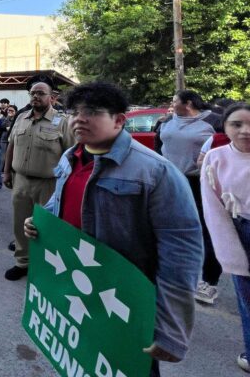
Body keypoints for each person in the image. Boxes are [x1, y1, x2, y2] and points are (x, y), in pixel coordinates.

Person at [25, 81, 203, 377]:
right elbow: (60, 204)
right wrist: (40, 222)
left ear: (119, 120)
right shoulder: (71, 158)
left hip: (125, 299)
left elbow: (181, 254)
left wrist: (170, 330)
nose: (79, 118)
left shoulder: (156, 171)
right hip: (77, 290)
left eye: (92, 112)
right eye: (75, 111)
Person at [3, 77, 74, 281]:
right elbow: (11, 146)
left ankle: (45, 264)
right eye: (33, 93)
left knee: (45, 227)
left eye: (41, 93)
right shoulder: (21, 118)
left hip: (49, 184)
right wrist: (7, 172)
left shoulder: (62, 122)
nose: (36, 96)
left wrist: (67, 185)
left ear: (52, 97)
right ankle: (22, 262)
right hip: (21, 180)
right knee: (20, 224)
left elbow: (71, 155)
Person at [159, 89, 223, 304]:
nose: (171, 102)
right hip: (170, 180)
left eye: (174, 99)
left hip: (199, 182)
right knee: (172, 228)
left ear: (188, 103)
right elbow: (161, 148)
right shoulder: (167, 120)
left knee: (207, 230)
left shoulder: (214, 121)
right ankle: (175, 275)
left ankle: (209, 282)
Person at [201, 102, 250, 373]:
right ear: (225, 127)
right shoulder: (216, 157)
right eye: (237, 124)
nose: (245, 131)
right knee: (247, 297)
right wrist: (230, 253)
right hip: (241, 230)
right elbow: (214, 209)